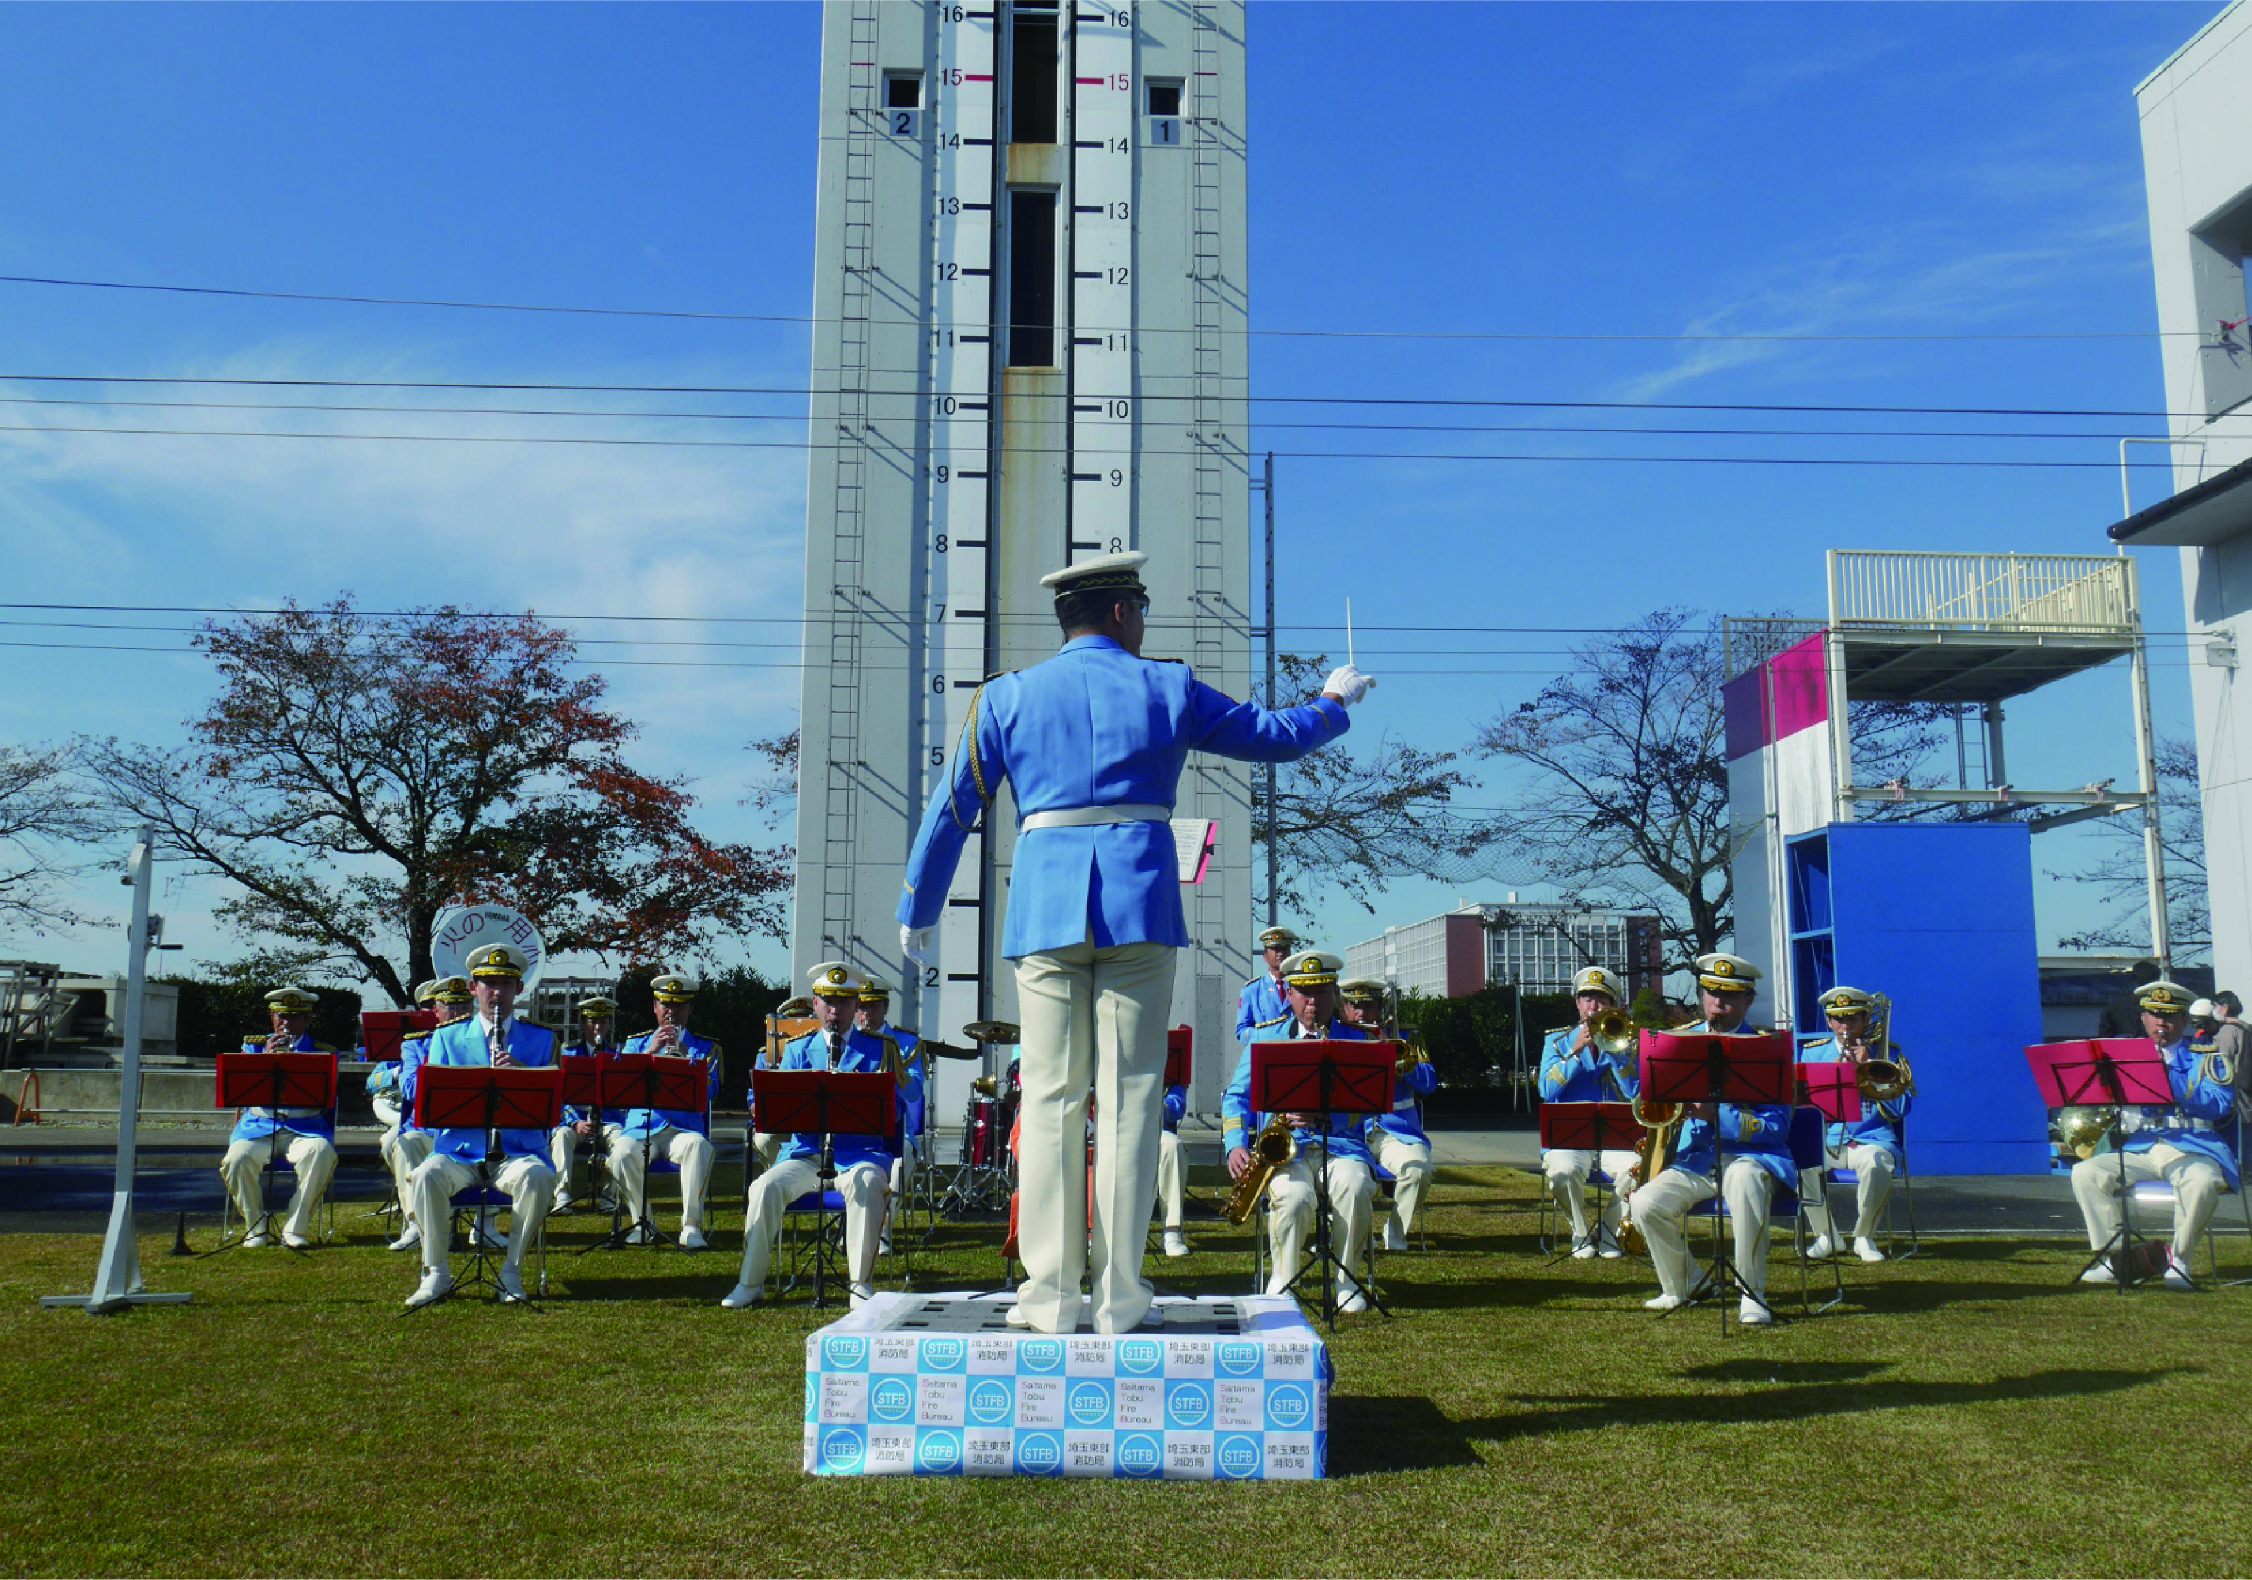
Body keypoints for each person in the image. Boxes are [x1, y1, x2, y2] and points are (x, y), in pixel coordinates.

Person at [897, 551, 1370, 1335]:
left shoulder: (1004, 696)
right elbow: (1274, 736)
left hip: (1045, 910)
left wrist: (920, 902)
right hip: (1140, 908)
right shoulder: (1169, 687)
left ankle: (1047, 1295)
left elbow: (952, 807)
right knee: (1130, 1099)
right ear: (1122, 613)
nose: (1146, 624)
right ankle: (1119, 1297)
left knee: (1048, 1097)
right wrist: (1332, 699)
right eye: (1142, 611)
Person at [723, 963, 910, 1311]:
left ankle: (860, 1285)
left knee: (868, 1184)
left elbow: (896, 1108)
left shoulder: (881, 1050)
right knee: (763, 1187)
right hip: (806, 1153)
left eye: (844, 1002)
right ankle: (749, 1283)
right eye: (828, 1002)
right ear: (815, 1004)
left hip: (859, 1155)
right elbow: (779, 1114)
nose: (835, 1011)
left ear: (856, 1006)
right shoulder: (796, 1049)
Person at [1626, 953, 1794, 1327]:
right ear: (1702, 995)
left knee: (1743, 1177)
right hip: (1697, 1162)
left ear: (1749, 1000)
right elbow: (1646, 1097)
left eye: (1731, 995)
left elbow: (1777, 1128)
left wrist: (1718, 1115)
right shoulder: (1677, 1043)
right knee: (1645, 1204)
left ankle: (1753, 1293)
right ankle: (1687, 1283)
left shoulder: (1770, 1048)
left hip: (1755, 1160)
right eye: (1713, 993)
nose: (1720, 1003)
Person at [1223, 949, 1382, 1313]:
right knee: (1293, 1198)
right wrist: (1235, 1144)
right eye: (1304, 993)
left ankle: (1347, 1281)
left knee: (1355, 1187)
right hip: (1284, 1150)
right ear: (1289, 994)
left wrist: (1328, 1119)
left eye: (1322, 992)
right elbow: (1236, 1098)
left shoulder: (1359, 1040)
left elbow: (1371, 1107)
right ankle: (1284, 1276)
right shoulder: (1265, 1039)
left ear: (1335, 994)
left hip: (1342, 1147)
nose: (1313, 1003)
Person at [403, 943, 558, 1307]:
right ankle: (436, 1273)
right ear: (473, 988)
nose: (496, 992)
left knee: (539, 1177)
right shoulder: (446, 1036)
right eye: (487, 983)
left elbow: (553, 1108)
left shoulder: (542, 1038)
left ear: (519, 989)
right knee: (425, 1175)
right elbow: (433, 1107)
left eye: (506, 984)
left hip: (517, 1152)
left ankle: (511, 1272)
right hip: (459, 1151)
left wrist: (523, 1076)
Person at [2073, 980, 2238, 1290]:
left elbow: (2220, 1106)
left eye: (2171, 1016)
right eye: (2155, 1014)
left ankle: (2179, 1260)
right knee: (2085, 1173)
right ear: (2144, 1019)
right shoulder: (2122, 1060)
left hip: (2192, 1148)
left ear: (2185, 1021)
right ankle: (2116, 1261)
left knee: (2202, 1182)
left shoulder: (2207, 1058)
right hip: (2140, 1146)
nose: (2162, 1023)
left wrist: (2167, 1082)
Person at [217, 986, 339, 1249]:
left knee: (320, 1152)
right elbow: (240, 1093)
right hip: (258, 1127)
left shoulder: (324, 1052)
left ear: (308, 1020)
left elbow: (327, 1096)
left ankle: (296, 1228)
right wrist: (264, 1058)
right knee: (237, 1159)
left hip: (304, 1128)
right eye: (281, 1017)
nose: (286, 1024)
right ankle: (255, 1227)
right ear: (272, 1018)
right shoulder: (253, 1046)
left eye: (294, 1017)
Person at [606, 975, 720, 1250]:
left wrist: (687, 1058)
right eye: (665, 1005)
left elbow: (711, 1092)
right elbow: (620, 1087)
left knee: (699, 1146)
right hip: (642, 1128)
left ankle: (691, 1226)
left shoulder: (706, 1048)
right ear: (655, 1007)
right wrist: (650, 1052)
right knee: (620, 1154)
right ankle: (642, 1222)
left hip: (683, 1130)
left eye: (679, 1006)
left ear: (690, 1010)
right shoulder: (634, 1044)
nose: (672, 1012)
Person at [1798, 985, 1910, 1264]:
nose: (1844, 1026)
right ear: (1828, 1021)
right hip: (1828, 1140)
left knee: (1877, 1163)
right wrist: (1832, 1079)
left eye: (1852, 1019)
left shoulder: (1889, 1056)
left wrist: (1871, 1067)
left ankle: (1864, 1237)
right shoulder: (1812, 1054)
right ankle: (1827, 1236)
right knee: (1799, 1165)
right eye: (1838, 1019)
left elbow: (1901, 1109)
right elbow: (1803, 1109)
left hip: (1871, 1140)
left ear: (1864, 1021)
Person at [1537, 965, 1639, 1260]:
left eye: (1602, 1000)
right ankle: (1580, 1233)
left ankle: (1609, 1231)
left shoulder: (1626, 1043)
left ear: (1614, 1006)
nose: (1594, 1007)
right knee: (1563, 1172)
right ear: (1577, 1003)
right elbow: (1546, 1091)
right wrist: (1575, 1055)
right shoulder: (1555, 1043)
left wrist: (1617, 1053)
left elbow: (1635, 1091)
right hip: (1569, 1139)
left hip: (1614, 1139)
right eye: (1587, 999)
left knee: (1638, 1171)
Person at [1341, 977, 1437, 1252]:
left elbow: (1429, 1084)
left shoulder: (1408, 1037)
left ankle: (1394, 1232)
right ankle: (1355, 1234)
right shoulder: (1335, 1038)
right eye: (1354, 1006)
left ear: (1381, 1007)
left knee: (1418, 1170)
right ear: (1344, 1008)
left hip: (1396, 1131)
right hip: (1349, 1129)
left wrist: (1395, 1055)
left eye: (1369, 1006)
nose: (1361, 1013)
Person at [858, 979, 924, 1254]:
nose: (866, 1015)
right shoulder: (847, 1042)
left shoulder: (907, 1043)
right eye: (861, 1007)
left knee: (901, 1160)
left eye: (873, 1007)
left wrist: (894, 1071)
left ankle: (880, 1232)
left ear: (885, 1008)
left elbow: (915, 1092)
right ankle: (855, 1229)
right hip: (854, 1132)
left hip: (896, 1131)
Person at [549, 995, 618, 1216]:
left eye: (603, 1022)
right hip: (576, 1123)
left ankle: (609, 1196)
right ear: (582, 1024)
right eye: (592, 1022)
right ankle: (562, 1195)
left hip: (606, 1122)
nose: (598, 1028)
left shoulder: (617, 1056)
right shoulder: (566, 1053)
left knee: (621, 1139)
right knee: (561, 1136)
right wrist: (575, 1122)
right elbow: (558, 1096)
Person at [1236, 926, 1299, 1044]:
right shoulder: (1252, 990)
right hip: (1264, 1053)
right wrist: (1267, 1036)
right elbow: (1241, 1031)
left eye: (1284, 949)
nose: (1280, 954)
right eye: (1275, 949)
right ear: (1265, 956)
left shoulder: (1300, 987)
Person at [1154, 1071, 1191, 1259]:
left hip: (1157, 1130)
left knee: (1172, 1146)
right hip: (1116, 1129)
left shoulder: (1173, 1060)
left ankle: (1172, 1230)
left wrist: (1149, 1107)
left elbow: (1177, 1105)